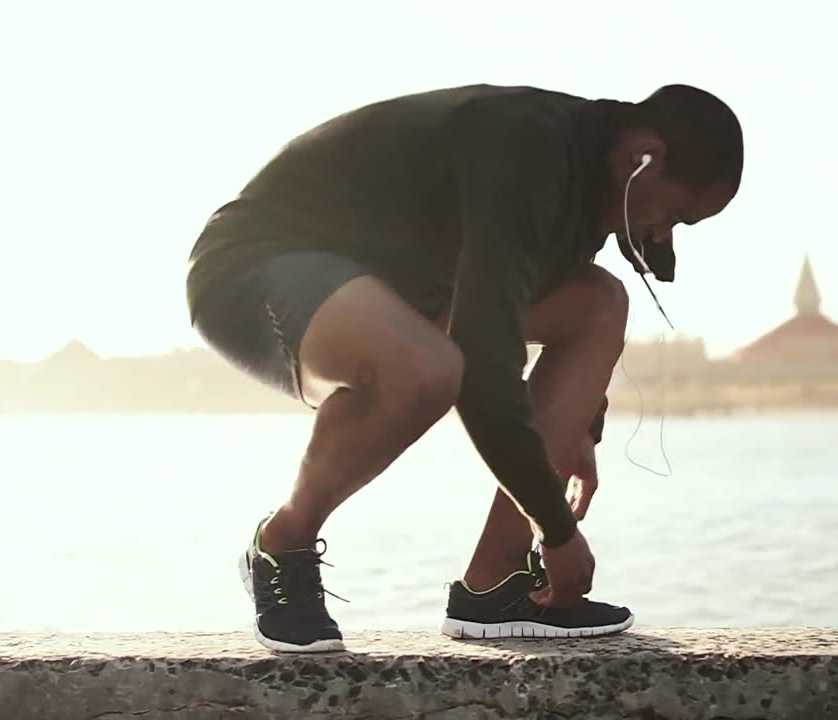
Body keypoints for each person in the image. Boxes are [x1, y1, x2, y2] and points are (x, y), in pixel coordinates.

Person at [185, 82, 744, 652]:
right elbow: (483, 363)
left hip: (398, 286)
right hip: (257, 265)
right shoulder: (529, 147)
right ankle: (281, 550)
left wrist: (579, 430)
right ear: (641, 157)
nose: (660, 234)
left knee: (600, 303)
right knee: (425, 370)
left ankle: (495, 588)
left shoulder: (589, 178)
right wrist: (556, 527)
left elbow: (507, 306)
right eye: (673, 214)